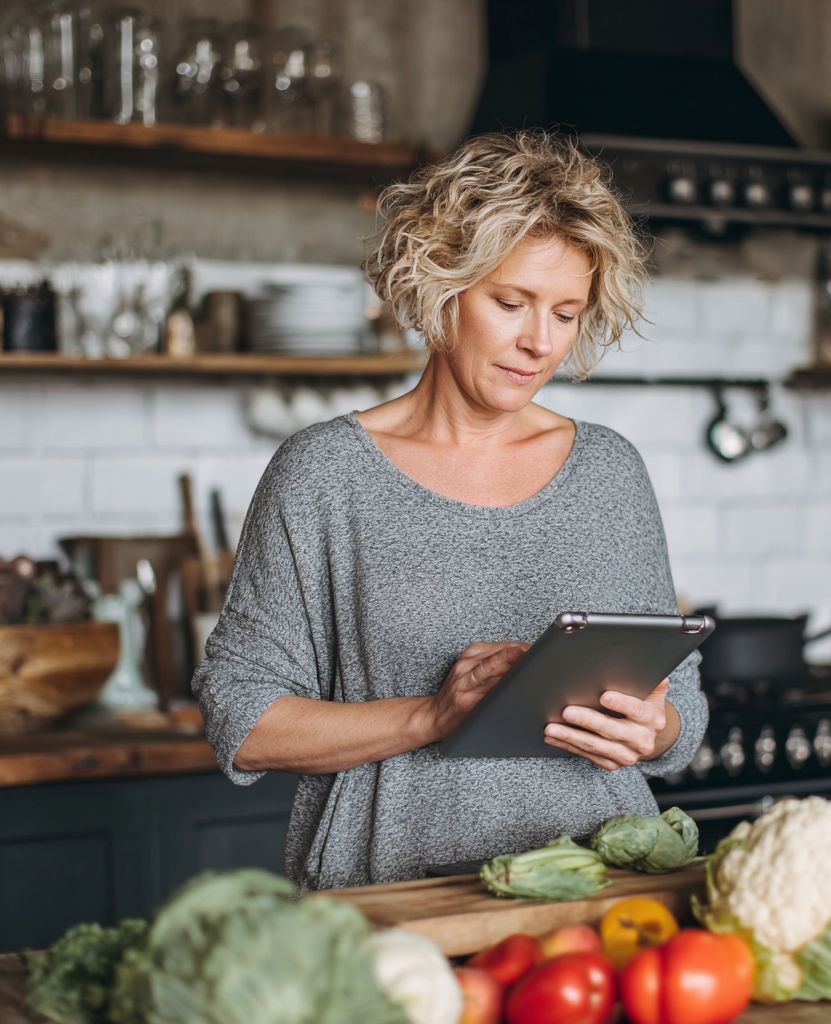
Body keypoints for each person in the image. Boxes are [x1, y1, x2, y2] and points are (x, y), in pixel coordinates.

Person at [193, 131, 708, 892]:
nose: (539, 342)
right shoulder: (325, 475)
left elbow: (683, 713)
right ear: (441, 290)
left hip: (597, 888)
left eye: (565, 314)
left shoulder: (608, 470)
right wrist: (430, 716)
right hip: (394, 895)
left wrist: (652, 726)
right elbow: (243, 719)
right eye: (511, 302)